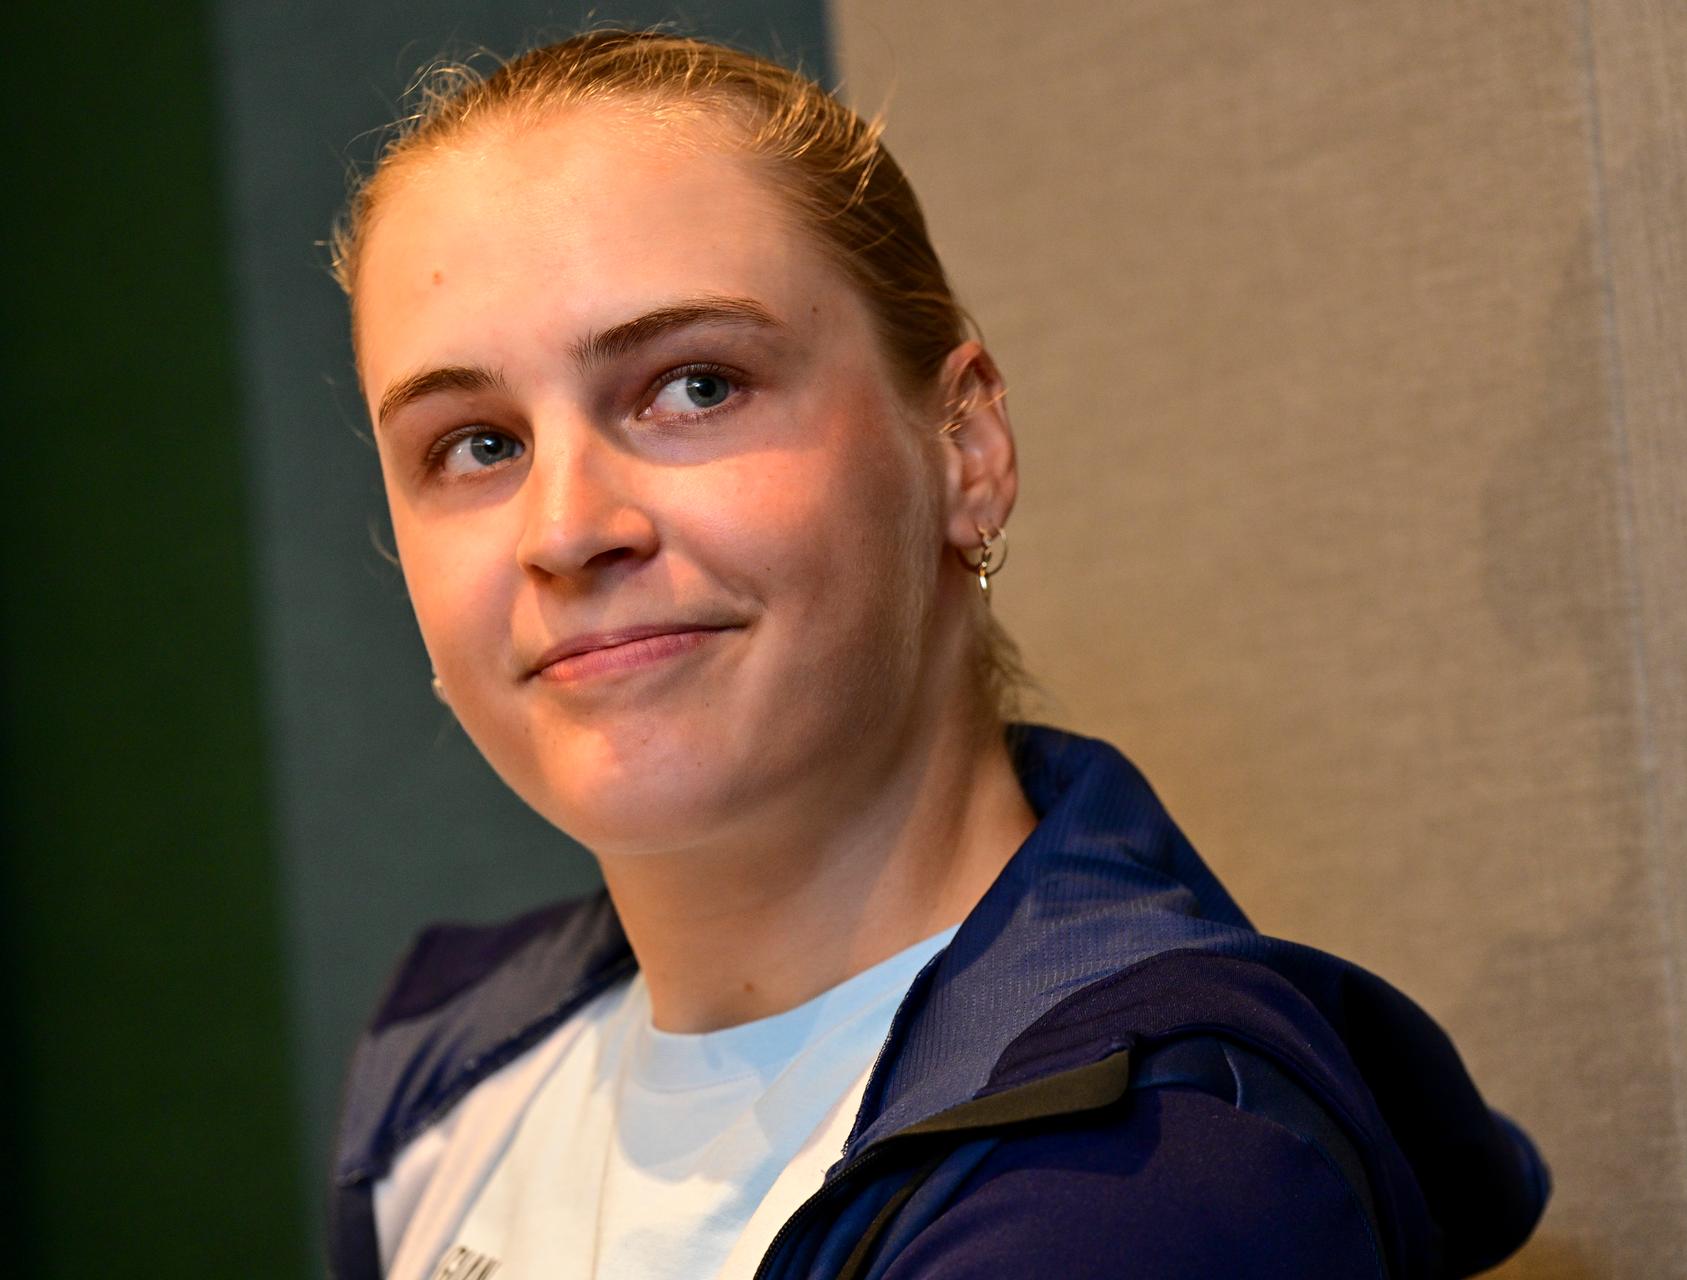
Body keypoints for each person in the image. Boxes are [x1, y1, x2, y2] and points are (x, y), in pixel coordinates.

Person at [325, 29, 1549, 1280]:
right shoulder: (449, 1080)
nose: (569, 530)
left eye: (694, 386)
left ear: (964, 448)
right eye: (474, 444)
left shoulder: (1147, 1174)